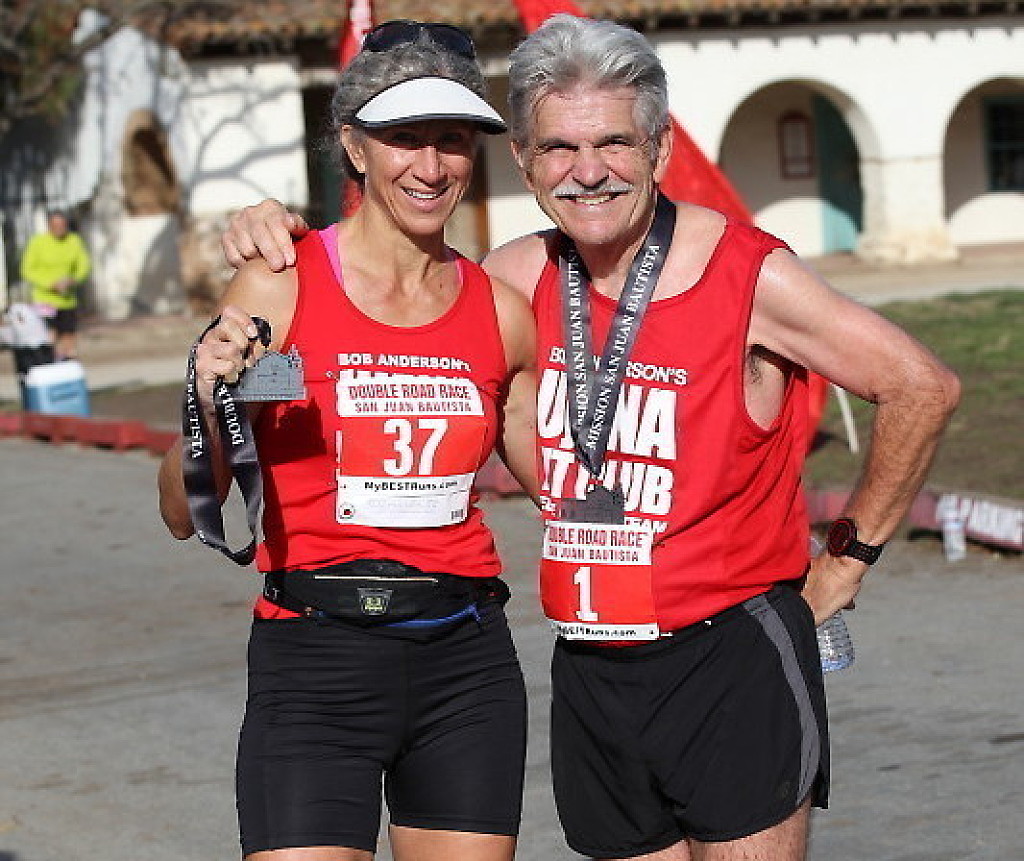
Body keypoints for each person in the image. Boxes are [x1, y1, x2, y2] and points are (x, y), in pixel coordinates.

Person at [221, 15, 960, 861]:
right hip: (592, 666)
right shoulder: (511, 280)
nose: (589, 171)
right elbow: (387, 285)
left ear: (660, 147)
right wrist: (272, 231)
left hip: (728, 655)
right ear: (525, 162)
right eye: (559, 148)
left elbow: (920, 385)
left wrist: (843, 564)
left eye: (614, 142)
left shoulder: (747, 272)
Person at [159, 20, 539, 861]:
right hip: (313, 666)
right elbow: (186, 512)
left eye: (452, 139)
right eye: (404, 137)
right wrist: (208, 398)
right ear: (353, 144)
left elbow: (573, 484)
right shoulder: (282, 287)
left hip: (464, 667)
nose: (431, 166)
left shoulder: (501, 313)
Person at [19, 210, 91, 360]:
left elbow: (84, 265)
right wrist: (49, 284)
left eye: (62, 225)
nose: (59, 229)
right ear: (49, 226)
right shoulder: (38, 242)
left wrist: (74, 279)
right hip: (45, 299)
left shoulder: (74, 241)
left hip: (67, 299)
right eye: (55, 226)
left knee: (69, 336)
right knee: (49, 335)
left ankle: (68, 363)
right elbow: (27, 270)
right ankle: (50, 363)